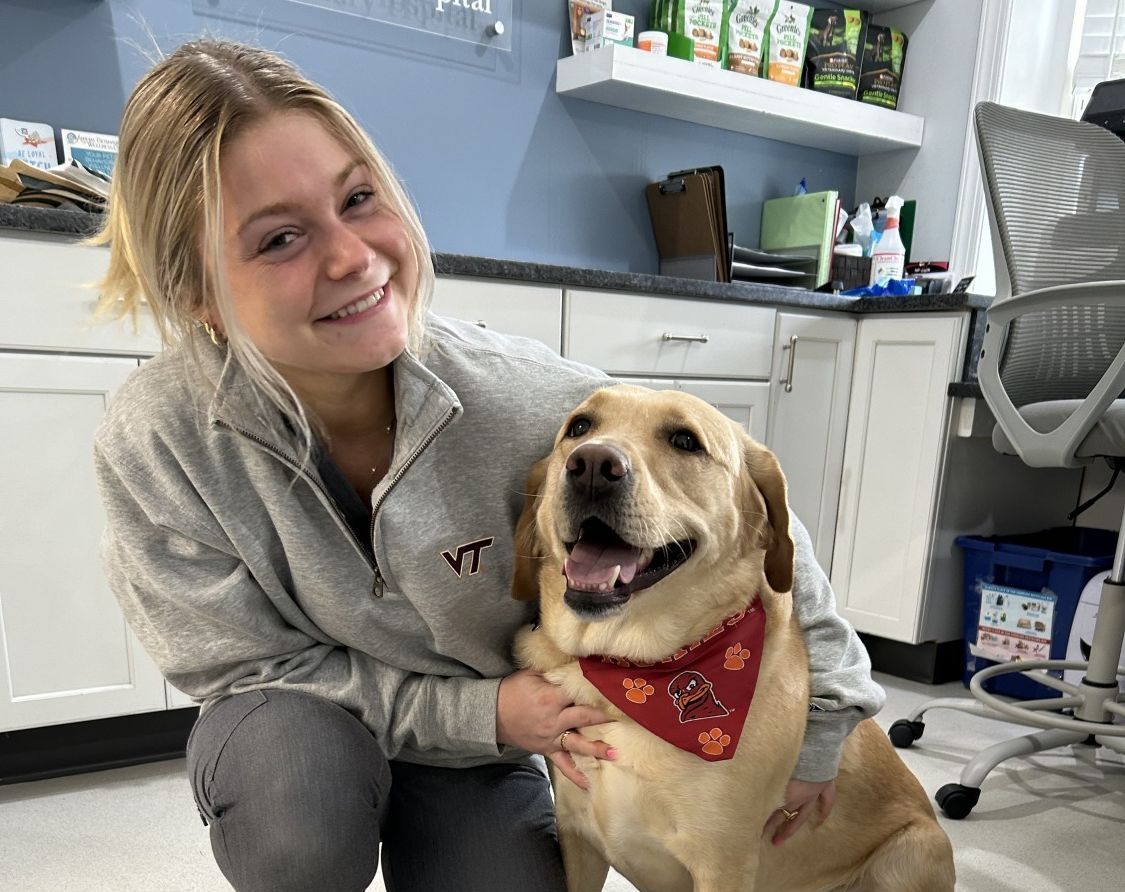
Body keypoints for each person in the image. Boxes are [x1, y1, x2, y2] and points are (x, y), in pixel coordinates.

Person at [91, 38, 884, 892]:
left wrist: (823, 724)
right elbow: (239, 667)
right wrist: (487, 709)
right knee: (297, 817)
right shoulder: (158, 440)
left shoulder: (532, 402)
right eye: (280, 238)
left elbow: (754, 517)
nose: (354, 257)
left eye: (359, 198)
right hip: (299, 724)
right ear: (196, 294)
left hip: (479, 750)